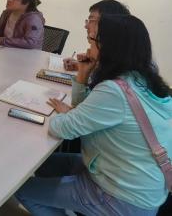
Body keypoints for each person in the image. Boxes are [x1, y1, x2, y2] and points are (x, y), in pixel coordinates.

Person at [15, 14, 172, 215]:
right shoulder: (144, 80)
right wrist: (83, 76)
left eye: (92, 40)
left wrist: (71, 115)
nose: (89, 47)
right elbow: (84, 110)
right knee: (45, 164)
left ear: (110, 47)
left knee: (22, 190)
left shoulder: (114, 90)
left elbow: (61, 128)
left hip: (122, 196)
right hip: (132, 179)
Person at [63, 0, 130, 71]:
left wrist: (82, 73)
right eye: (88, 21)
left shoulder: (123, 63)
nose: (86, 26)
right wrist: (78, 65)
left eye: (91, 20)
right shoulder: (112, 54)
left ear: (109, 25)